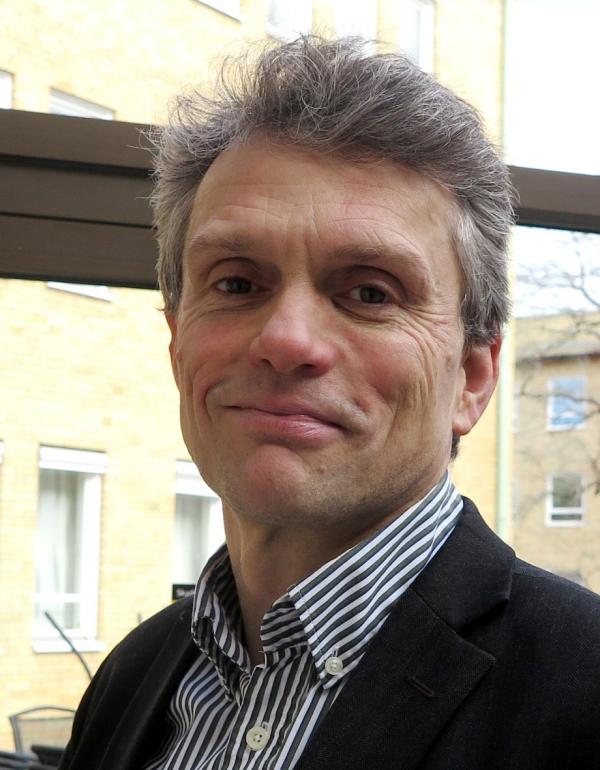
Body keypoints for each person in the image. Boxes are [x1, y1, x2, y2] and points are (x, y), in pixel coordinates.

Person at [59, 37, 600, 770]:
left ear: (472, 378)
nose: (286, 340)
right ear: (178, 342)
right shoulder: (129, 680)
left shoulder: (583, 692)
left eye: (371, 292)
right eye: (237, 283)